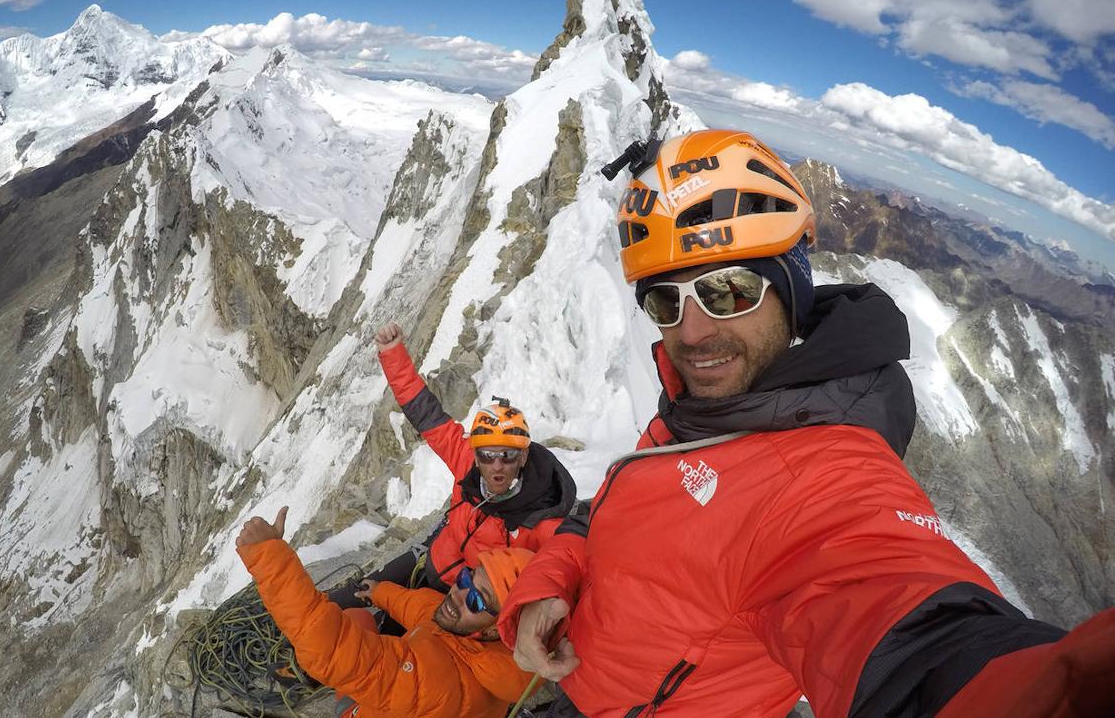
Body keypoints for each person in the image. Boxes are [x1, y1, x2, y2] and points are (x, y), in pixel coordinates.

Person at [498, 129, 1115, 717]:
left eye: (729, 290)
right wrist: (554, 580)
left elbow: (906, 625)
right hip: (577, 683)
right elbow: (610, 510)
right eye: (666, 300)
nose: (692, 333)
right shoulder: (701, 408)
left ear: (789, 289)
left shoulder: (821, 476)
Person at [328, 321, 576, 610]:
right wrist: (392, 354)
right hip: (434, 559)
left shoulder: (541, 521)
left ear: (523, 457)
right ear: (476, 453)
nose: (496, 465)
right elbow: (425, 412)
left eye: (507, 455)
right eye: (487, 455)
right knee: (353, 597)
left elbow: (567, 569)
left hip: (467, 602)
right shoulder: (465, 460)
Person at [236, 505, 537, 718]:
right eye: (466, 578)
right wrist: (380, 593)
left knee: (337, 646)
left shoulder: (438, 679)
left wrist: (268, 555)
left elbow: (331, 650)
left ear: (495, 629)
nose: (458, 594)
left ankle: (311, 674)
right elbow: (421, 608)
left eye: (476, 600)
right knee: (359, 618)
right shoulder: (480, 644)